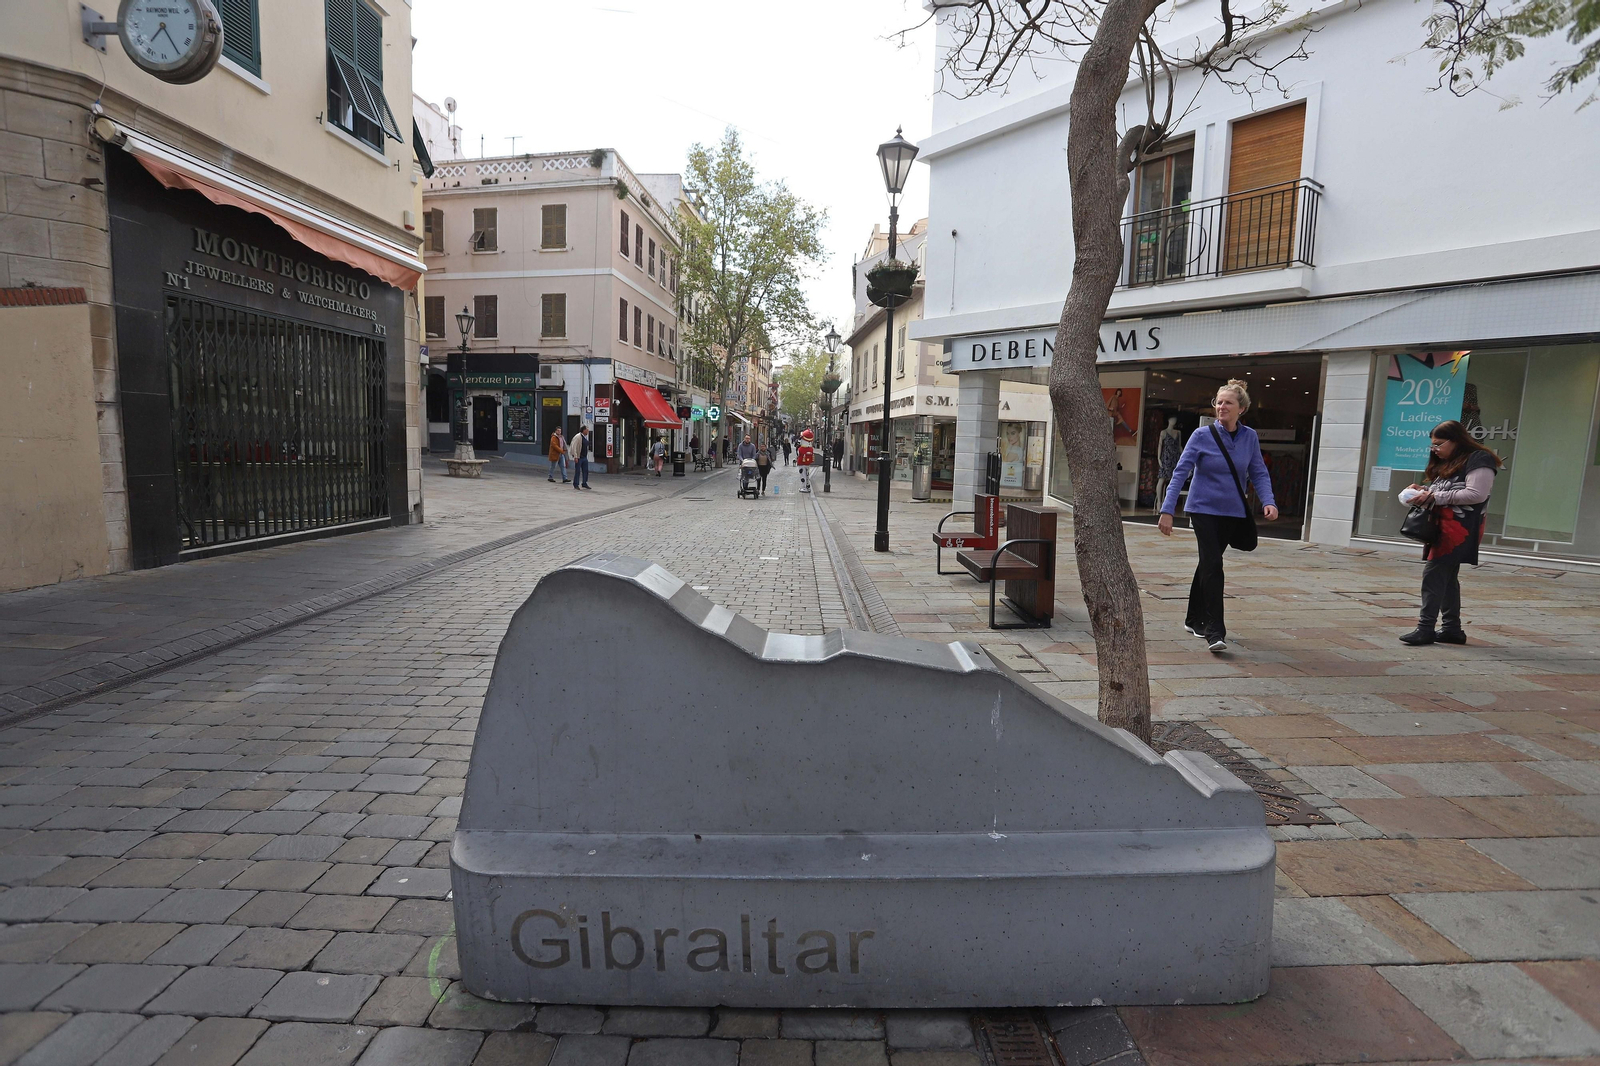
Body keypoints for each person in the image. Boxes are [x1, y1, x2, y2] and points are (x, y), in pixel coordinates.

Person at [1157, 380, 1278, 653]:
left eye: (1228, 403)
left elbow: (1258, 471)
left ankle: (1192, 619)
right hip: (1202, 509)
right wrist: (1167, 509)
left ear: (1241, 409)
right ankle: (1215, 631)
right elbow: (1180, 472)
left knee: (1208, 563)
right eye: (1218, 402)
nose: (1221, 407)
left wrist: (1269, 502)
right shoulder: (1202, 436)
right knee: (1213, 565)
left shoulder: (1249, 437)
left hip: (1233, 511)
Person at [1397, 420, 1503, 646]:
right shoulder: (1451, 461)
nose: (1434, 449)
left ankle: (1425, 629)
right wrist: (1424, 491)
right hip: (1444, 525)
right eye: (1432, 445)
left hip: (1459, 528)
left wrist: (1435, 497)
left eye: (1438, 444)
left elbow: (1476, 494)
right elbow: (1447, 490)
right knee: (1447, 578)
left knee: (1434, 575)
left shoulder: (1478, 459)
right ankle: (1452, 629)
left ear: (1455, 440)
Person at [570, 424, 592, 490]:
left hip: (584, 457)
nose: (588, 431)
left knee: (585, 470)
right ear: (584, 430)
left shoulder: (585, 437)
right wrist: (575, 456)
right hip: (579, 457)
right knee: (578, 471)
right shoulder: (578, 437)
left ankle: (584, 483)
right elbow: (574, 446)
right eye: (587, 430)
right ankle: (576, 484)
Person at [796, 429, 815, 493]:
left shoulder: (801, 449)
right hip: (808, 463)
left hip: (801, 463)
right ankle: (807, 485)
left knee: (802, 474)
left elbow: (798, 454)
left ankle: (803, 487)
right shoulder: (811, 449)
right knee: (807, 474)